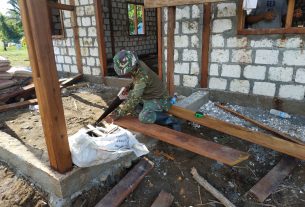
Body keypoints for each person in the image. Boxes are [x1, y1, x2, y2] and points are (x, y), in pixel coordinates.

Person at [106, 50, 181, 131]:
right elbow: (137, 80)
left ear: (131, 67)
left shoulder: (142, 74)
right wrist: (130, 86)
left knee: (143, 117)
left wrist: (119, 113)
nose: (125, 74)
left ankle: (171, 121)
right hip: (148, 95)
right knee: (132, 108)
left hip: (159, 98)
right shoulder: (137, 65)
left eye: (125, 72)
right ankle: (152, 111)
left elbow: (135, 98)